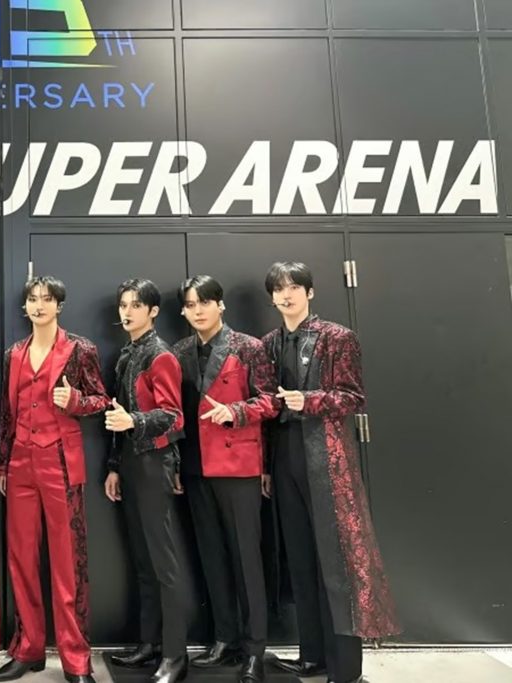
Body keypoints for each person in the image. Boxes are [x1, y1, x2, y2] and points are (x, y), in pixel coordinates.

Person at [262, 262, 400, 683]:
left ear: (310, 292)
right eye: (279, 289)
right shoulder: (269, 343)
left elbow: (353, 396)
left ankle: (345, 669)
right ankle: (312, 657)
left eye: (294, 287)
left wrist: (310, 400)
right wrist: (266, 466)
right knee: (299, 558)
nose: (286, 295)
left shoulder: (337, 336)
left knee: (336, 563)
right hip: (284, 456)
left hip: (327, 459)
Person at [0, 276, 109, 683]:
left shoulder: (80, 349)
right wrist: (2, 463)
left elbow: (101, 400)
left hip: (60, 460)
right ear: (25, 306)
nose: (39, 305)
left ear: (59, 305)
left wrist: (75, 401)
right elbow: (6, 412)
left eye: (47, 299)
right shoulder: (14, 353)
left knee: (68, 564)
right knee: (21, 558)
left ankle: (76, 659)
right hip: (20, 462)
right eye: (33, 299)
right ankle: (28, 648)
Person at [171, 275, 278, 683]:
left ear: (221, 305)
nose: (197, 310)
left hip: (238, 467)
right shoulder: (181, 351)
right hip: (197, 467)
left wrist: (236, 411)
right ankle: (224, 638)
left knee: (247, 560)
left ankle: (254, 650)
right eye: (190, 304)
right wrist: (177, 466)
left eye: (204, 302)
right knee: (212, 557)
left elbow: (270, 401)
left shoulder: (248, 347)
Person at [103, 279, 189, 683]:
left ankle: (175, 655)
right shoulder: (128, 353)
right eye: (123, 305)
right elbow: (117, 417)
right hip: (132, 464)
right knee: (143, 560)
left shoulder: (161, 355)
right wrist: (114, 465)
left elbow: (174, 417)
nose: (127, 311)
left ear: (153, 311)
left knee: (163, 563)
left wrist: (133, 421)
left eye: (136, 305)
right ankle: (150, 643)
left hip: (155, 463)